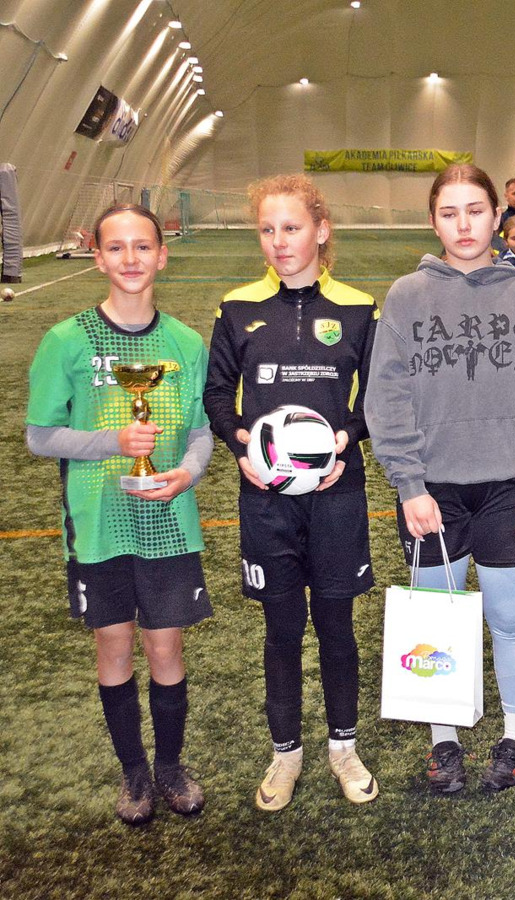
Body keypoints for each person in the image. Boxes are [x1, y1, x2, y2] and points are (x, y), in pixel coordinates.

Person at [366, 164, 515, 794]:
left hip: (510, 489)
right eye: (449, 213)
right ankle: (445, 742)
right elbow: (386, 398)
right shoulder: (407, 295)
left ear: (497, 217)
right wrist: (410, 485)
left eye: (475, 211)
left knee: (510, 618)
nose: (463, 225)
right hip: (432, 492)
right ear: (433, 222)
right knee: (436, 622)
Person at [26, 204, 212, 825]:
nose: (130, 258)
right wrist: (114, 442)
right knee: (113, 645)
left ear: (163, 255)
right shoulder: (68, 340)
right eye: (116, 247)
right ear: (97, 257)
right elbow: (40, 435)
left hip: (168, 522)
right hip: (98, 525)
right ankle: (134, 771)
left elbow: (201, 431)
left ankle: (170, 767)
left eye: (142, 246)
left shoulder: (185, 343)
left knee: (166, 647)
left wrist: (187, 473)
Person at [203, 174, 379, 812]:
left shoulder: (359, 309)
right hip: (266, 498)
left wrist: (345, 440)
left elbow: (378, 398)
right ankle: (286, 754)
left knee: (336, 626)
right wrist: (241, 445)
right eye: (268, 229)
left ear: (321, 230)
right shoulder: (237, 308)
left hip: (336, 494)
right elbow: (217, 393)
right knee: (281, 629)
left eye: (292, 227)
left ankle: (343, 748)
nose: (279, 242)